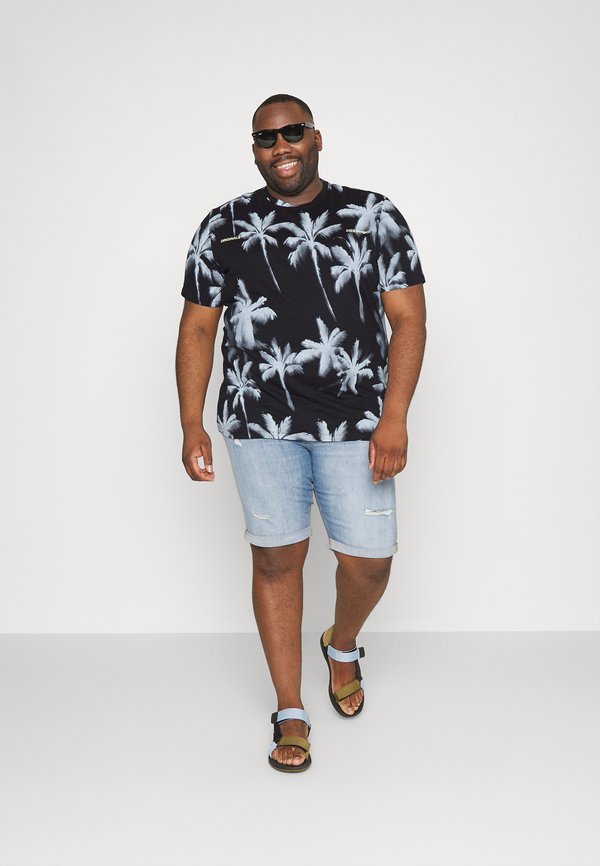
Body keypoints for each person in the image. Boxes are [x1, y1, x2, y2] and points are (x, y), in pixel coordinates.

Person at [175, 94, 427, 773]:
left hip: (357, 423)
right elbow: (198, 328)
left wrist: (395, 415)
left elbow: (409, 319)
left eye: (292, 132)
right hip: (259, 423)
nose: (280, 146)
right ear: (255, 151)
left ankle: (341, 645)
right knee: (276, 560)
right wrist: (191, 421)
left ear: (317, 138)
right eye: (266, 138)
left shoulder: (373, 215)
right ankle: (290, 708)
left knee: (370, 562)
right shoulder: (224, 225)